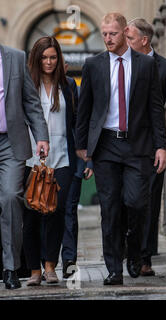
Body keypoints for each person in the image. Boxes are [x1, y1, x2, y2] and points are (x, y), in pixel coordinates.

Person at [75, 13, 166, 286]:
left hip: (138, 144)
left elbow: (155, 108)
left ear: (124, 32)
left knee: (137, 202)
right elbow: (86, 108)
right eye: (104, 34)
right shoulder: (94, 65)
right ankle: (114, 268)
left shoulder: (145, 65)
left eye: (113, 34)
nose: (107, 39)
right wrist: (82, 145)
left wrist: (161, 145)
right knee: (111, 209)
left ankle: (135, 247)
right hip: (106, 145)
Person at [125, 18, 166, 277]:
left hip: (154, 146)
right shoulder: (121, 64)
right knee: (127, 201)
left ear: (144, 40)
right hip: (123, 144)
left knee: (149, 201)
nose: (125, 44)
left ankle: (145, 256)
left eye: (130, 38)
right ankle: (128, 249)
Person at [22, 37, 79, 286]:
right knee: (32, 215)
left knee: (56, 212)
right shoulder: (26, 86)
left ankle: (50, 266)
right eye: (44, 57)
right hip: (30, 159)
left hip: (62, 158)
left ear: (59, 59)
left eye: (53, 57)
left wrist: (83, 157)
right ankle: (34, 269)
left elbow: (76, 123)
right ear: (36, 59)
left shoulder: (68, 85)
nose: (48, 62)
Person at [0, 44, 49, 290]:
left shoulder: (16, 58)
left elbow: (31, 101)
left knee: (10, 198)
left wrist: (41, 135)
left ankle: (10, 268)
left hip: (11, 142)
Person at [61, 63, 94, 280]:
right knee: (45, 212)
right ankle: (46, 263)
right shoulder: (32, 84)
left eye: (55, 59)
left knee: (69, 210)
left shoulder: (71, 85)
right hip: (41, 161)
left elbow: (81, 124)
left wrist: (87, 160)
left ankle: (69, 261)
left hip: (72, 159)